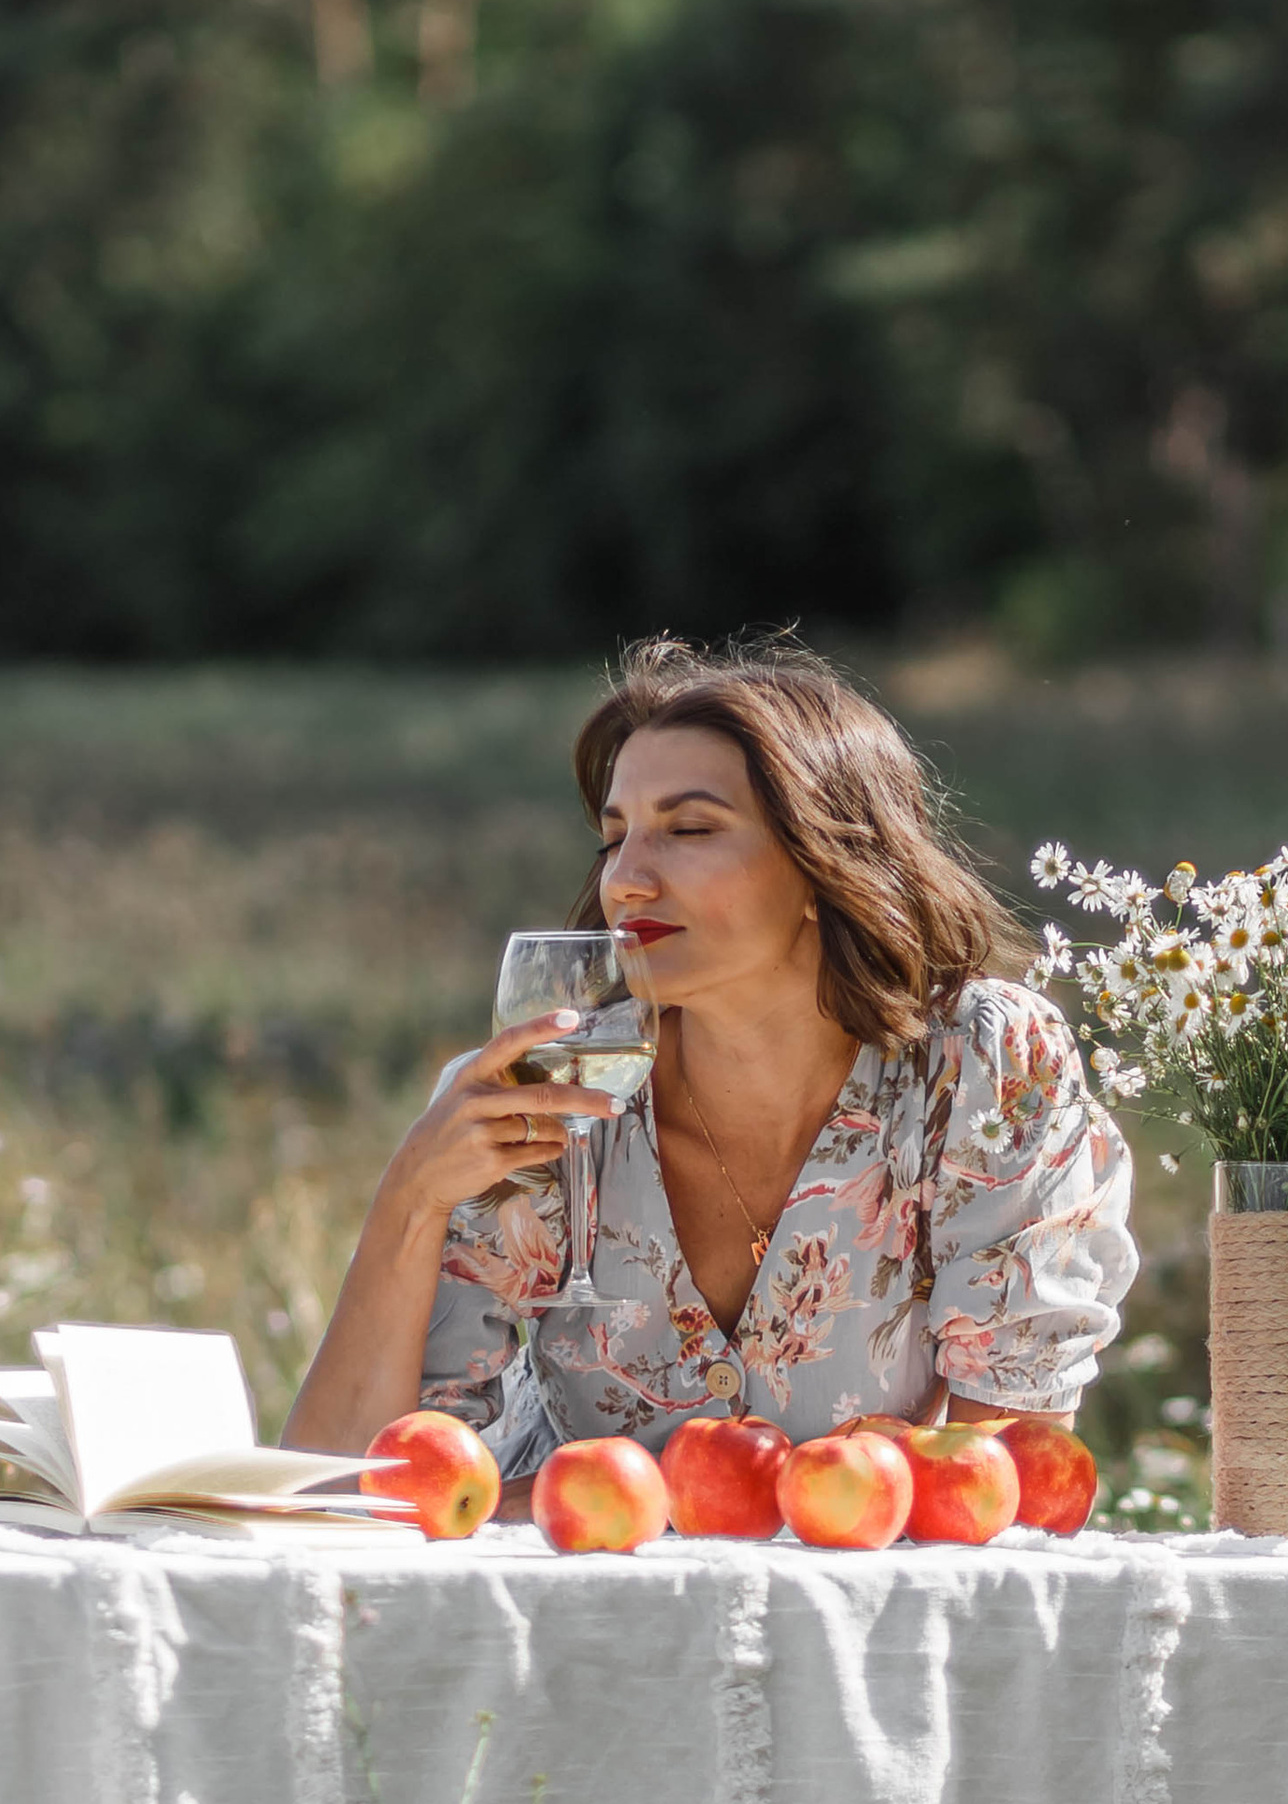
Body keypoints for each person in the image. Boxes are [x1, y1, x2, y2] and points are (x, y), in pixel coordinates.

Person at [286, 637, 1137, 1490]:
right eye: (614, 838)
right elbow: (334, 1493)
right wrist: (411, 1199)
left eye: (689, 830)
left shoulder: (976, 1067)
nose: (626, 880)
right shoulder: (543, 1097)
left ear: (822, 864)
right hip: (566, 1592)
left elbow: (1010, 1481)